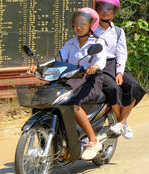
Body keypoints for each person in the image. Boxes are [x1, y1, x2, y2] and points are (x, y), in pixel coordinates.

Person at [30, 8, 107, 160]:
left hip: (91, 80)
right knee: (43, 100)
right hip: (71, 79)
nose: (78, 27)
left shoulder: (98, 42)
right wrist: (39, 67)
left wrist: (95, 66)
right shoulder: (70, 43)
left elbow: (101, 61)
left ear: (91, 25)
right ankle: (53, 141)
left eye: (82, 23)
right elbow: (57, 60)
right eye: (76, 23)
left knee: (74, 104)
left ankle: (93, 141)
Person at [92, 0, 146, 139]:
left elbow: (122, 53)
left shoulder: (118, 31)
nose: (105, 11)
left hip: (114, 64)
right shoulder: (90, 30)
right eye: (102, 7)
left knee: (134, 86)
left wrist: (120, 72)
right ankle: (120, 121)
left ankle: (121, 122)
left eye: (109, 8)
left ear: (114, 12)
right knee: (112, 88)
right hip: (99, 65)